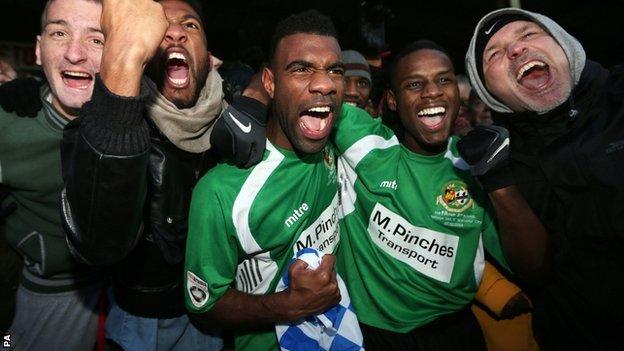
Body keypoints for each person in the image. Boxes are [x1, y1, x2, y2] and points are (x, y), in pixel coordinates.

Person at [59, 0, 266, 349]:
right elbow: (98, 244)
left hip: (221, 312)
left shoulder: (234, 114)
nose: (174, 32)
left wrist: (259, 96)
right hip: (145, 322)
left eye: (190, 25)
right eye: (161, 25)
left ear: (208, 53)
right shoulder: (109, 128)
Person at [332, 39, 547, 350]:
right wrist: (253, 102)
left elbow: (536, 268)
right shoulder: (365, 145)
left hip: (455, 332)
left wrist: (500, 182)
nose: (432, 91)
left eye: (443, 79)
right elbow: (306, 86)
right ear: (392, 100)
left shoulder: (476, 163)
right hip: (373, 334)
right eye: (415, 83)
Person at [184, 10, 347, 351]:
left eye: (334, 70)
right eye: (301, 69)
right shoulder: (221, 192)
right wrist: (288, 306)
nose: (324, 83)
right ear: (270, 83)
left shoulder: (337, 140)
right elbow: (203, 305)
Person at [465, 7, 624, 350]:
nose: (516, 49)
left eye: (528, 34)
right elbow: (536, 271)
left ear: (564, 44)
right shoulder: (506, 160)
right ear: (488, 91)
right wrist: (498, 182)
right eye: (494, 53)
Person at [0, 0, 105, 349]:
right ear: (38, 49)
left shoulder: (147, 125)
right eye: (59, 33)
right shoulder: (9, 123)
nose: (75, 53)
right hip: (39, 297)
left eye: (97, 39)